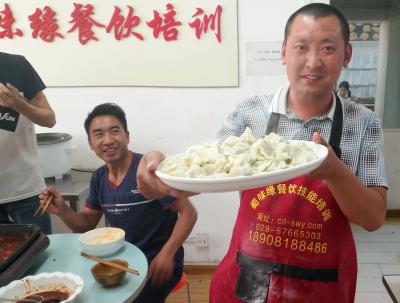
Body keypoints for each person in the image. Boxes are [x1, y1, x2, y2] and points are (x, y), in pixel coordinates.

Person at [136, 3, 387, 303]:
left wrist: (334, 171)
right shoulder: (248, 113)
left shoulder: (365, 123)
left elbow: (373, 217)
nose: (313, 61)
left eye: (328, 49)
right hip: (249, 277)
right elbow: (205, 175)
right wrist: (156, 176)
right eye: (301, 47)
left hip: (322, 283)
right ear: (283, 52)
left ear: (346, 55)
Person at [41, 103, 197, 303]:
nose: (107, 140)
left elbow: (189, 213)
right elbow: (87, 224)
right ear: (90, 143)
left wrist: (167, 254)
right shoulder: (98, 177)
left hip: (158, 261)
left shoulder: (147, 172)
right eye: (98, 134)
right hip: (119, 258)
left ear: (127, 136)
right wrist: (62, 209)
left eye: (114, 131)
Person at [0, 52, 56, 234]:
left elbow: (49, 119)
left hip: (26, 190)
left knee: (41, 255)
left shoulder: (15, 65)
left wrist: (18, 104)